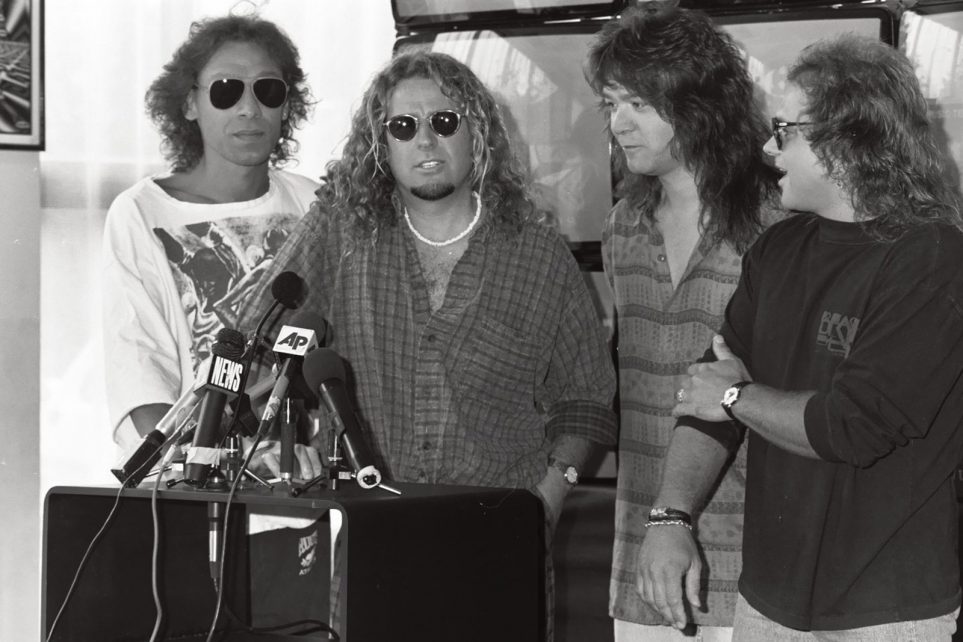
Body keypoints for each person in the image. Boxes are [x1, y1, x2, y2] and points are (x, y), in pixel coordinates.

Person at [237, 49, 618, 640]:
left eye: (444, 121)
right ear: (381, 144)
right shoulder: (342, 233)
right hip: (367, 535)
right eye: (402, 126)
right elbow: (257, 341)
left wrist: (550, 497)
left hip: (498, 542)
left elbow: (586, 398)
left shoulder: (538, 254)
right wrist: (274, 445)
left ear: (477, 133)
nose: (425, 140)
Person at [654, 34, 963, 640]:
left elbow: (854, 425)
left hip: (888, 612)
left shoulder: (931, 257)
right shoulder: (778, 248)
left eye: (785, 130)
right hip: (767, 600)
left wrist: (735, 397)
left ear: (846, 141)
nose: (769, 148)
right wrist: (670, 517)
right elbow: (707, 395)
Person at [101, 14, 325, 627]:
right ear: (189, 104)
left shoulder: (318, 205)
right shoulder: (141, 213)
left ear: (287, 104)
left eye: (268, 90)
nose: (249, 108)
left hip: (296, 505)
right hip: (184, 506)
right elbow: (138, 364)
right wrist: (202, 468)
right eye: (226, 90)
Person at [584, 5, 781, 640]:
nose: (619, 124)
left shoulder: (777, 224)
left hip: (762, 562)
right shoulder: (622, 227)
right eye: (612, 104)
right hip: (644, 561)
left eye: (639, 103)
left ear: (700, 105)